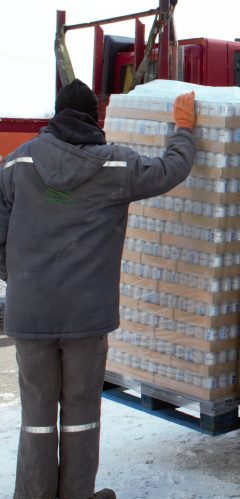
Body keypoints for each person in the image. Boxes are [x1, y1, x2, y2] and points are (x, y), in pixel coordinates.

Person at [0, 80, 197, 499]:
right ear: (95, 118)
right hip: (86, 319)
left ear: (56, 114)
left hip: (30, 313)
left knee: (36, 417)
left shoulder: (17, 164)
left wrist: (20, 279)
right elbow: (170, 170)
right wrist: (183, 128)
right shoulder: (115, 167)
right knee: (81, 416)